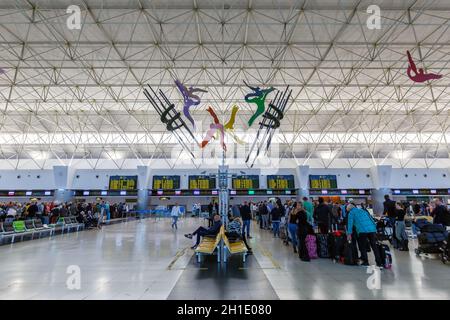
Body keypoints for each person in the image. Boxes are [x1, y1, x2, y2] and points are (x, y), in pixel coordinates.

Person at [346, 204, 382, 268]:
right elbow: (371, 219)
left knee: (363, 247)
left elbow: (350, 224)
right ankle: (379, 263)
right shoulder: (363, 210)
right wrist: (375, 229)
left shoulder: (351, 213)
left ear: (349, 209)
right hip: (372, 230)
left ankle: (365, 262)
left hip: (362, 230)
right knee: (374, 246)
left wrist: (349, 234)